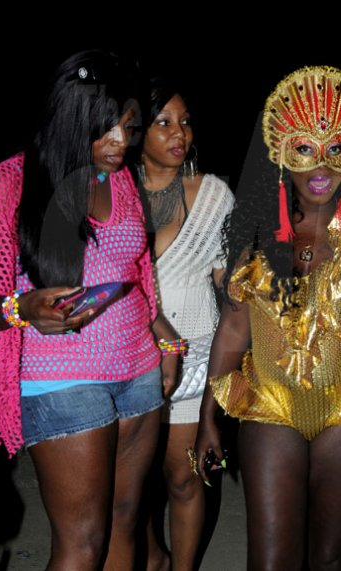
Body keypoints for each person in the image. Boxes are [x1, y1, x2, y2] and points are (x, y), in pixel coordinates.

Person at [195, 66, 341, 570]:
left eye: (335, 148)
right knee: (271, 559)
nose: (321, 164)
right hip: (272, 403)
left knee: (333, 558)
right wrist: (208, 418)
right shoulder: (256, 230)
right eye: (305, 148)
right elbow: (234, 328)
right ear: (281, 151)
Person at [0, 50, 180, 570]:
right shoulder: (7, 186)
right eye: (106, 130)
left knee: (125, 520)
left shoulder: (123, 181)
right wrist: (20, 307)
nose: (120, 144)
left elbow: (134, 275)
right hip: (60, 377)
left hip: (138, 368)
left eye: (128, 129)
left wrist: (167, 340)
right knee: (82, 539)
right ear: (70, 119)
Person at [136, 80, 234, 571]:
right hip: (129, 355)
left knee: (184, 476)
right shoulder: (110, 193)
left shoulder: (213, 194)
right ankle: (153, 555)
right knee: (130, 483)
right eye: (164, 123)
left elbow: (229, 284)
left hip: (195, 355)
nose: (181, 133)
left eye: (186, 121)